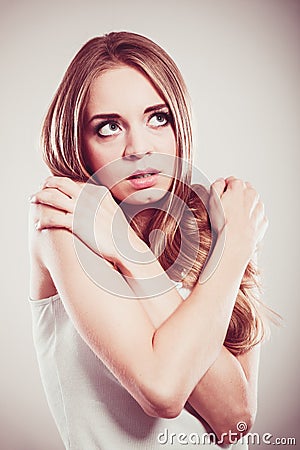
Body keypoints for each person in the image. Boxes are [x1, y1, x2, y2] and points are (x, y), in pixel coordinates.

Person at [28, 31, 272, 449]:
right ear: (80, 142)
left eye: (158, 118)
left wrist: (229, 249)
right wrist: (229, 248)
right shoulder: (62, 224)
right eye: (108, 127)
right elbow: (162, 389)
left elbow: (235, 422)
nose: (139, 148)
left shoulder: (215, 230)